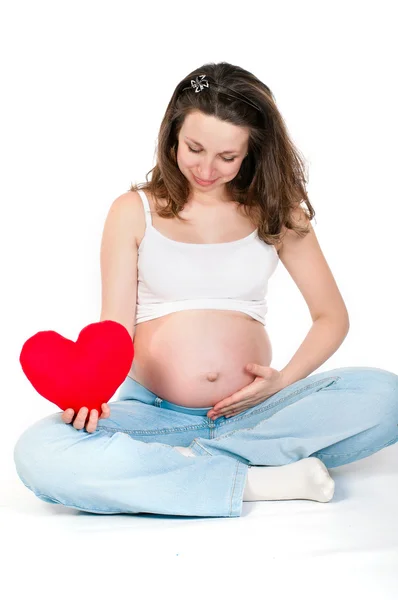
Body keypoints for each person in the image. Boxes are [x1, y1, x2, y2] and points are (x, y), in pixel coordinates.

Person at [14, 62, 398, 518]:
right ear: (173, 134)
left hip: (257, 411)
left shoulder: (278, 214)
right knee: (38, 452)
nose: (206, 169)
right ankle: (255, 480)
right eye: (194, 148)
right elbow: (114, 327)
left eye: (227, 157)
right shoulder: (133, 211)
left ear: (252, 152)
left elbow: (332, 316)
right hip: (152, 415)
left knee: (386, 396)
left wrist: (283, 381)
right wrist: (89, 397)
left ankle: (184, 470)